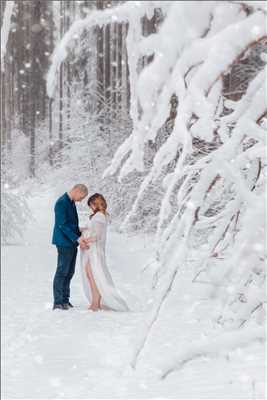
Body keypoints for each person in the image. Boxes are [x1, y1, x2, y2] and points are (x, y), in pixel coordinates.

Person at [80, 193, 129, 312]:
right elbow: (92, 230)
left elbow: (97, 235)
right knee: (91, 275)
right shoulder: (98, 216)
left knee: (94, 276)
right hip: (93, 250)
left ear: (94, 204)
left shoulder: (99, 216)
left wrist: (85, 240)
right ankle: (96, 301)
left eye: (90, 205)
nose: (90, 207)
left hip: (95, 250)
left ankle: (95, 303)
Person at [52, 184, 95, 310]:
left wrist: (80, 230)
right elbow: (62, 225)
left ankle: (65, 300)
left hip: (71, 242)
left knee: (70, 272)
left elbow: (70, 223)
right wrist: (77, 238)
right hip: (64, 242)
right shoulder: (61, 202)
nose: (81, 200)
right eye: (81, 197)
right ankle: (58, 302)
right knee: (62, 271)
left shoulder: (71, 203)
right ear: (76, 191)